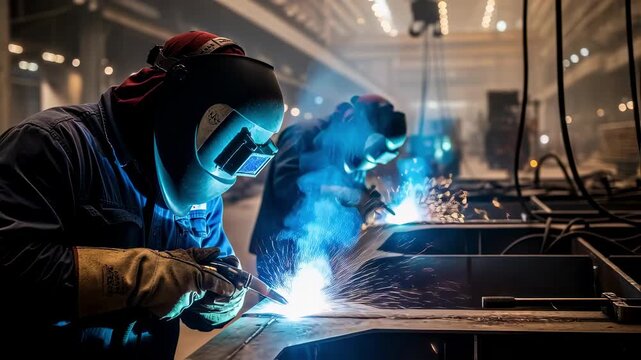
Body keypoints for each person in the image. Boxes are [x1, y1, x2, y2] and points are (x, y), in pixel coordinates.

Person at [0, 31, 284, 358]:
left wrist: (220, 298)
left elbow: (214, 276)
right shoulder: (55, 145)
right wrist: (144, 276)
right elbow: (13, 268)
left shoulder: (204, 193)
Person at [250, 95, 406, 282]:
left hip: (323, 249)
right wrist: (354, 197)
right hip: (283, 248)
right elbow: (286, 188)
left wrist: (367, 198)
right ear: (351, 119)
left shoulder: (354, 149)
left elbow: (348, 184)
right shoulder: (303, 134)